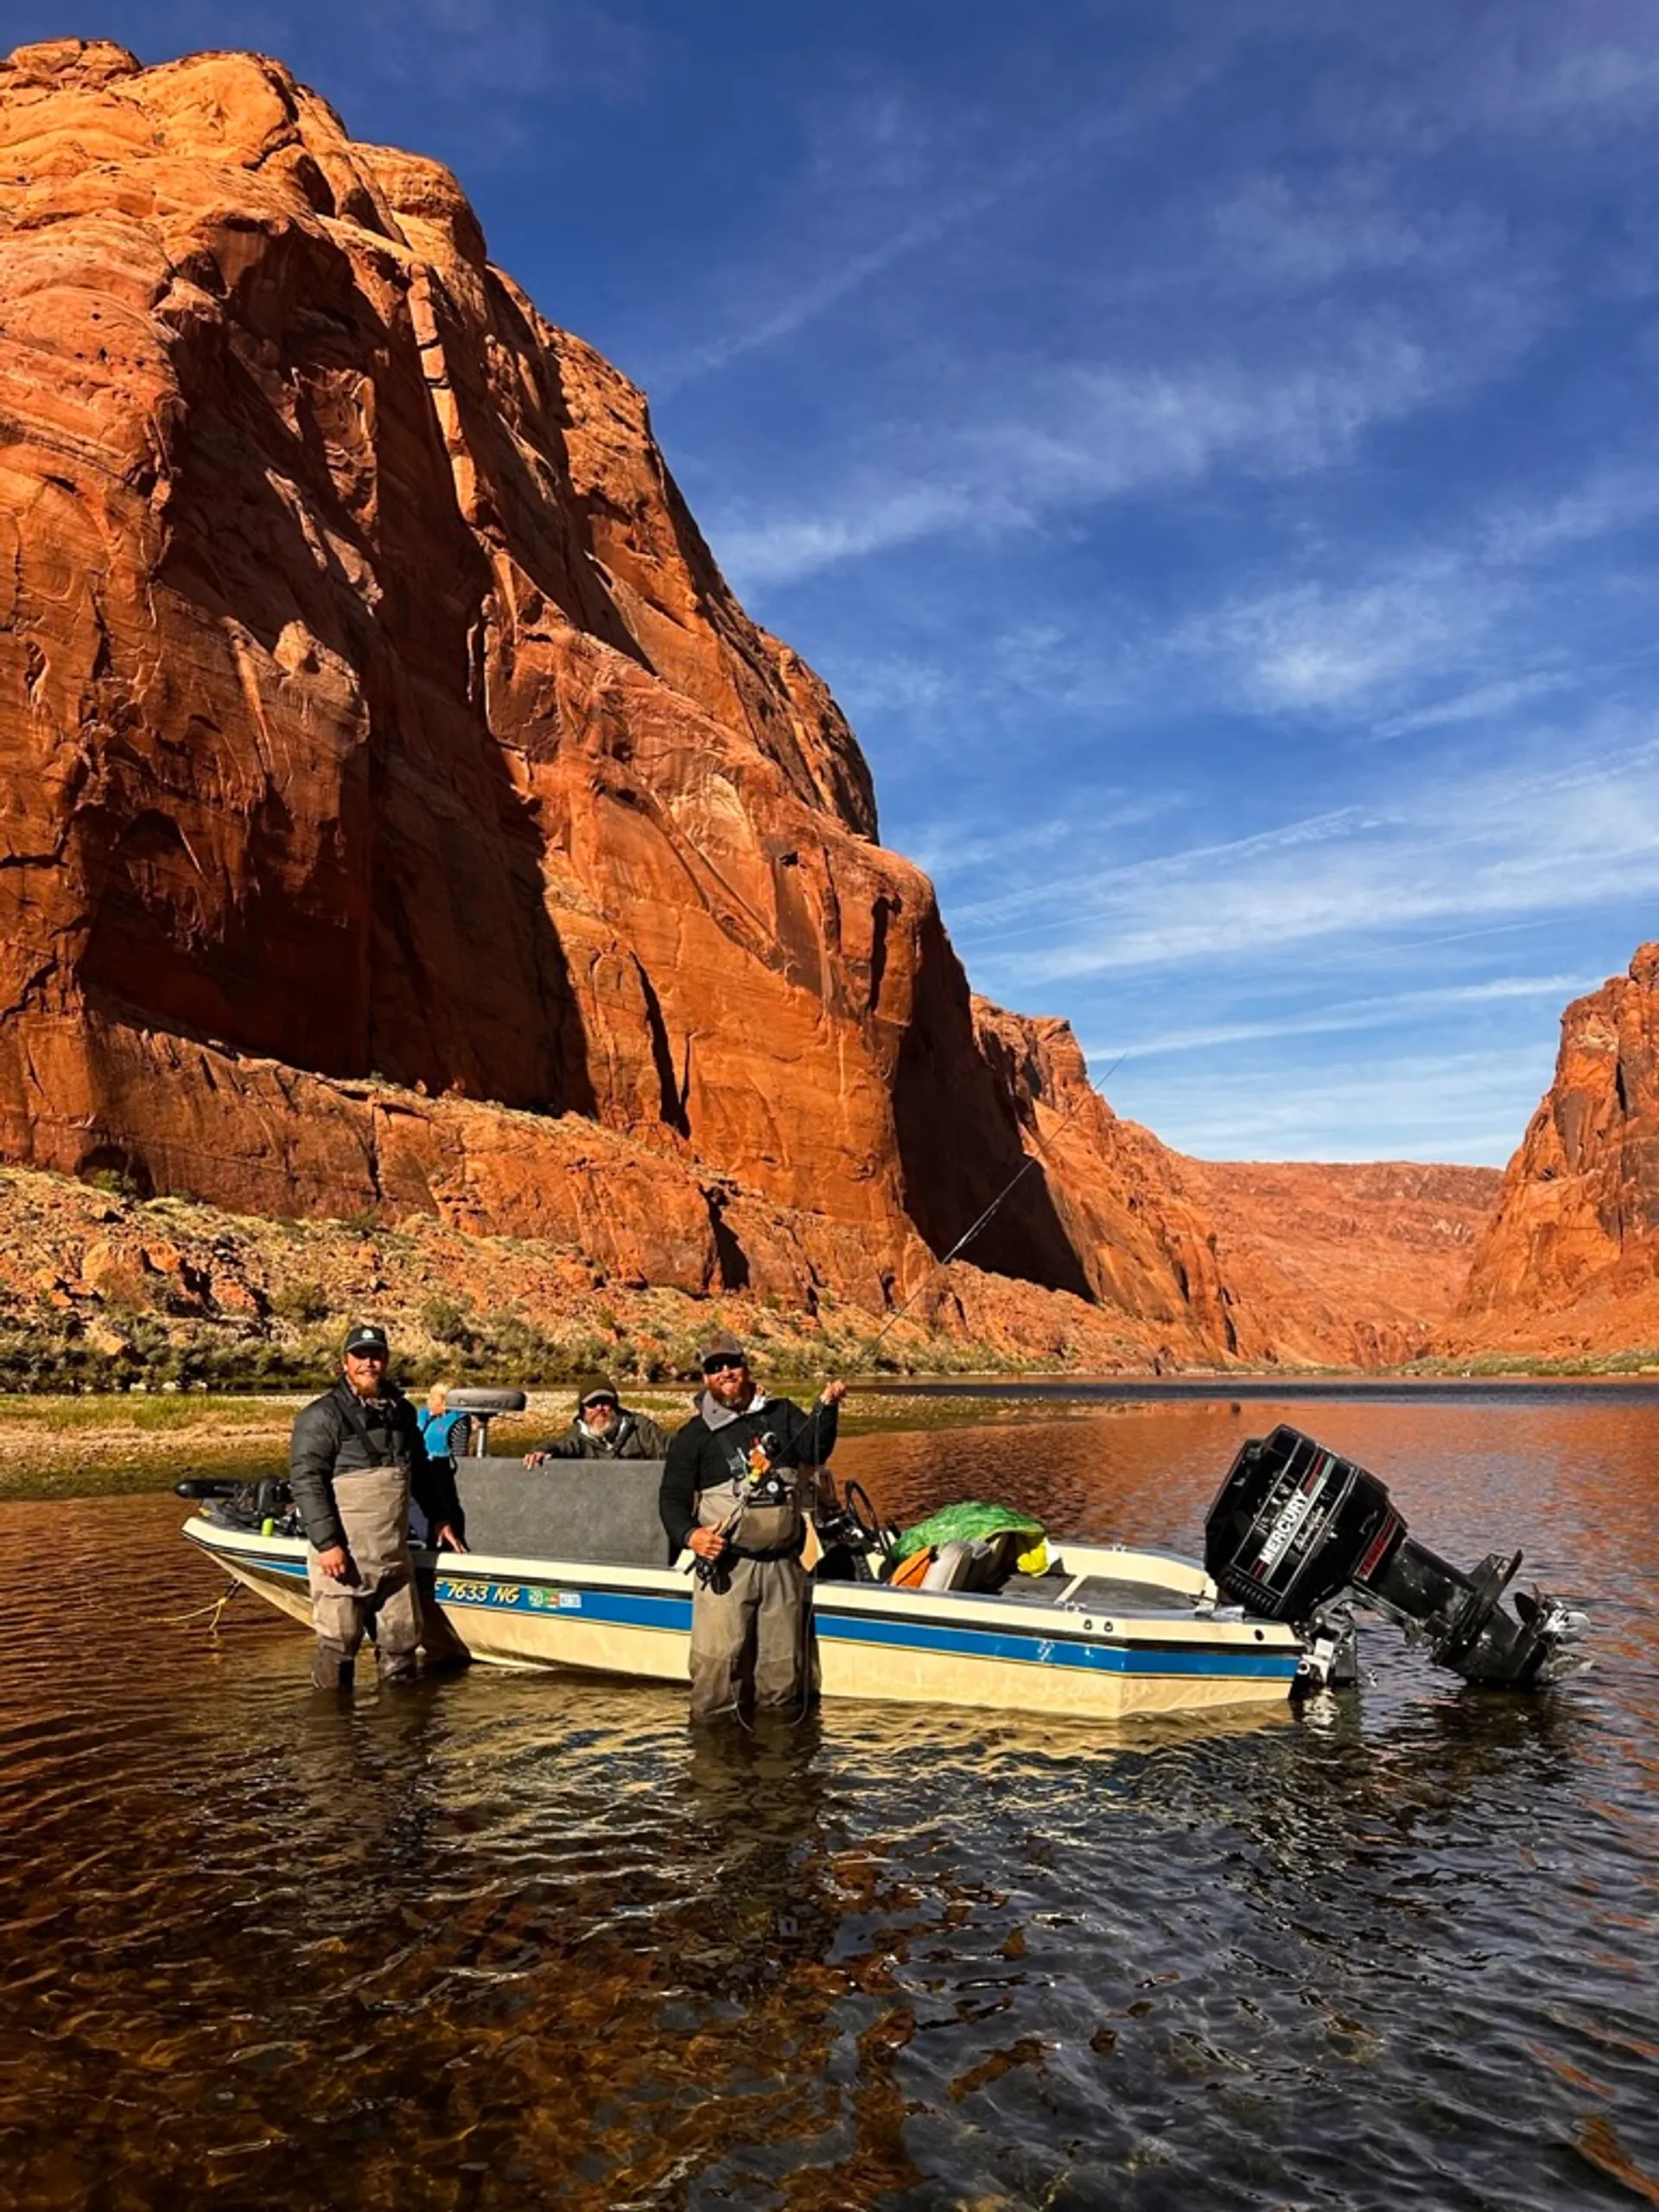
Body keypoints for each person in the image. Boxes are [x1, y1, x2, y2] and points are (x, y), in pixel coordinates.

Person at [658, 1330, 847, 1726]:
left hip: (784, 1567)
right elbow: (671, 1502)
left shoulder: (781, 1413)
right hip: (727, 1569)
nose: (725, 1372)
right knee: (717, 1673)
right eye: (715, 1368)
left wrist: (827, 1408)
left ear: (746, 1367)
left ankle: (778, 1769)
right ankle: (716, 1772)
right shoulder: (692, 1437)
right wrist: (692, 1536)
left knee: (781, 1676)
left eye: (732, 1363)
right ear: (705, 1378)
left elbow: (815, 1447)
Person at [289, 1324, 467, 1692]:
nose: (369, 1363)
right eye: (360, 1356)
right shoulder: (321, 1416)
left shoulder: (402, 1413)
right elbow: (307, 1482)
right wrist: (327, 1544)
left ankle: (400, 1739)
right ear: (345, 1363)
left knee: (402, 1649)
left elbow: (419, 1473)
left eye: (376, 1355)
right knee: (339, 1646)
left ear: (385, 1360)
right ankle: (333, 1736)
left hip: (392, 1561)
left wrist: (439, 1519)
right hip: (343, 1558)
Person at [523, 1376, 670, 1464]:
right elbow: (560, 1446)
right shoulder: (578, 1435)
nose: (599, 1408)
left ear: (615, 1405)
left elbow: (673, 1452)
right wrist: (541, 1452)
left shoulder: (640, 1427)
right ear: (583, 1409)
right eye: (592, 1404)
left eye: (605, 1402)